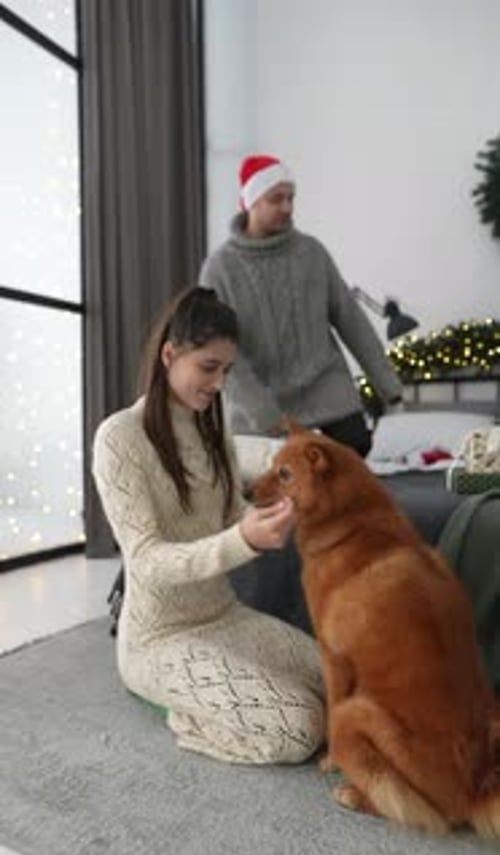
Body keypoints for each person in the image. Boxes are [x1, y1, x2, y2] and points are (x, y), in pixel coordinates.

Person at [92, 286, 324, 764]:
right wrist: (243, 540)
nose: (220, 383)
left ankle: (219, 696)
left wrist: (263, 518)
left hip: (223, 614)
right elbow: (148, 561)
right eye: (209, 367)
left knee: (342, 678)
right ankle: (187, 713)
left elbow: (229, 514)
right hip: (160, 638)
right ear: (169, 355)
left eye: (227, 370)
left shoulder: (211, 428)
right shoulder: (119, 439)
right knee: (301, 728)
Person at [199, 153, 403, 457]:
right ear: (252, 202)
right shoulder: (220, 269)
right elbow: (222, 353)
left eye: (291, 198)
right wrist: (264, 414)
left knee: (353, 461)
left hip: (328, 391)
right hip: (261, 409)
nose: (288, 207)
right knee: (279, 489)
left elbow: (350, 319)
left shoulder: (312, 253)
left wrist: (389, 386)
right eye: (276, 199)